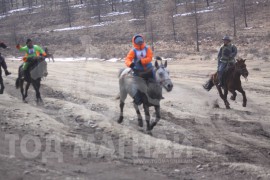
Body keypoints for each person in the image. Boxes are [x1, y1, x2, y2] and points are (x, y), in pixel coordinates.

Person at [125, 34, 154, 105]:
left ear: (143, 40)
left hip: (148, 69)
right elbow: (127, 59)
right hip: (138, 71)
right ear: (134, 42)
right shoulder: (133, 51)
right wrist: (130, 64)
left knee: (155, 81)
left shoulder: (147, 48)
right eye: (138, 41)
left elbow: (150, 58)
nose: (140, 42)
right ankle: (137, 99)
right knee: (136, 85)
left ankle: (156, 96)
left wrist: (142, 61)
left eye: (141, 41)